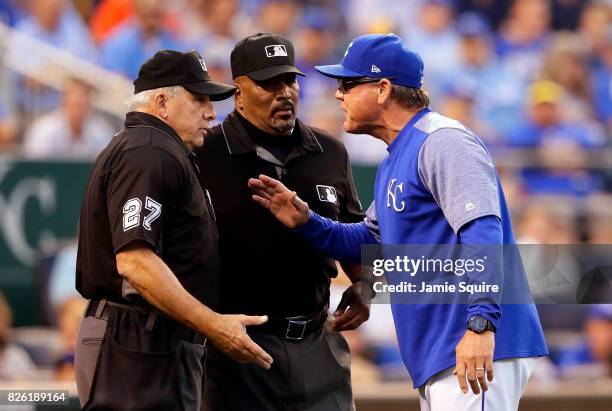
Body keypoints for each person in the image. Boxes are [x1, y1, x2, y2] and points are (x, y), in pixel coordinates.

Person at [248, 33, 549, 411]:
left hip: (475, 342)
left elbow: (484, 232)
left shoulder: (443, 141)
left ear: (383, 88)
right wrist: (308, 221)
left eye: (347, 84)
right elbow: (370, 241)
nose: (338, 94)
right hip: (445, 349)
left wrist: (481, 324)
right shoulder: (397, 156)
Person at [74, 49, 273, 411]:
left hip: (152, 342)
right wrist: (214, 325)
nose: (211, 112)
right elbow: (135, 261)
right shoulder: (147, 150)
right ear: (162, 101)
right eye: (199, 100)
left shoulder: (157, 149)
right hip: (136, 342)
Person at [194, 33, 368, 411]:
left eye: (289, 80)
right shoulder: (206, 152)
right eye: (268, 83)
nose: (284, 92)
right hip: (238, 351)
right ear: (237, 92)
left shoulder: (329, 151)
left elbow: (358, 238)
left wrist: (366, 284)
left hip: (318, 342)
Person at [22, 77, 114, 160]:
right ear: (64, 101)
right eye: (75, 102)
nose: (79, 104)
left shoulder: (101, 132)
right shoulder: (44, 130)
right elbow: (36, 169)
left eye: (84, 98)